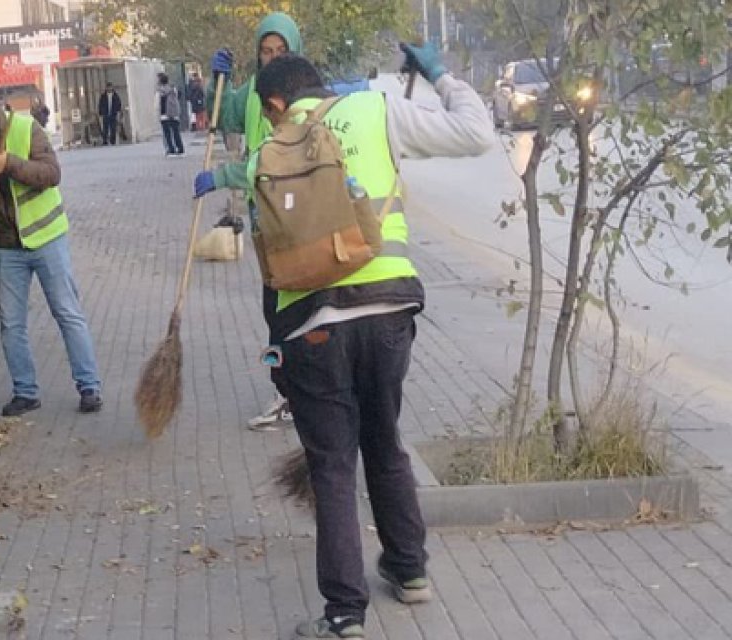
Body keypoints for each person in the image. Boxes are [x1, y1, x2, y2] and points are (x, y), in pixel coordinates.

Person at [244, 49, 492, 638]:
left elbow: (270, 274)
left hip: (311, 327)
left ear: (277, 104)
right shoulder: (375, 110)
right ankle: (409, 572)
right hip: (387, 311)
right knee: (386, 443)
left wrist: (276, 359)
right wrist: (439, 75)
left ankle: (345, 614)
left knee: (331, 468)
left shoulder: (265, 155)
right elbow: (477, 133)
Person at [0, 80, 104, 417]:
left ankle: (89, 386)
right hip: (6, 247)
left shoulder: (24, 128)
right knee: (10, 323)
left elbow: (51, 173)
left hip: (46, 237)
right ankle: (25, 391)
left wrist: (12, 165)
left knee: (66, 311)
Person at [196, 11, 304, 430]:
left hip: (298, 216)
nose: (273, 59)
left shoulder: (302, 97)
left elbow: (274, 162)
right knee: (274, 309)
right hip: (265, 220)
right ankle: (287, 388)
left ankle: (292, 390)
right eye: (266, 51)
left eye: (281, 51)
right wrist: (215, 85)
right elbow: (222, 116)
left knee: (288, 310)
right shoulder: (252, 95)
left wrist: (224, 175)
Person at [157, 73, 185, 157]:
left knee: (167, 133)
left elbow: (159, 104)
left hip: (165, 114)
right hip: (174, 113)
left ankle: (171, 149)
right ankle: (180, 149)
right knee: (176, 132)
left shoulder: (161, 91)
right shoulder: (173, 89)